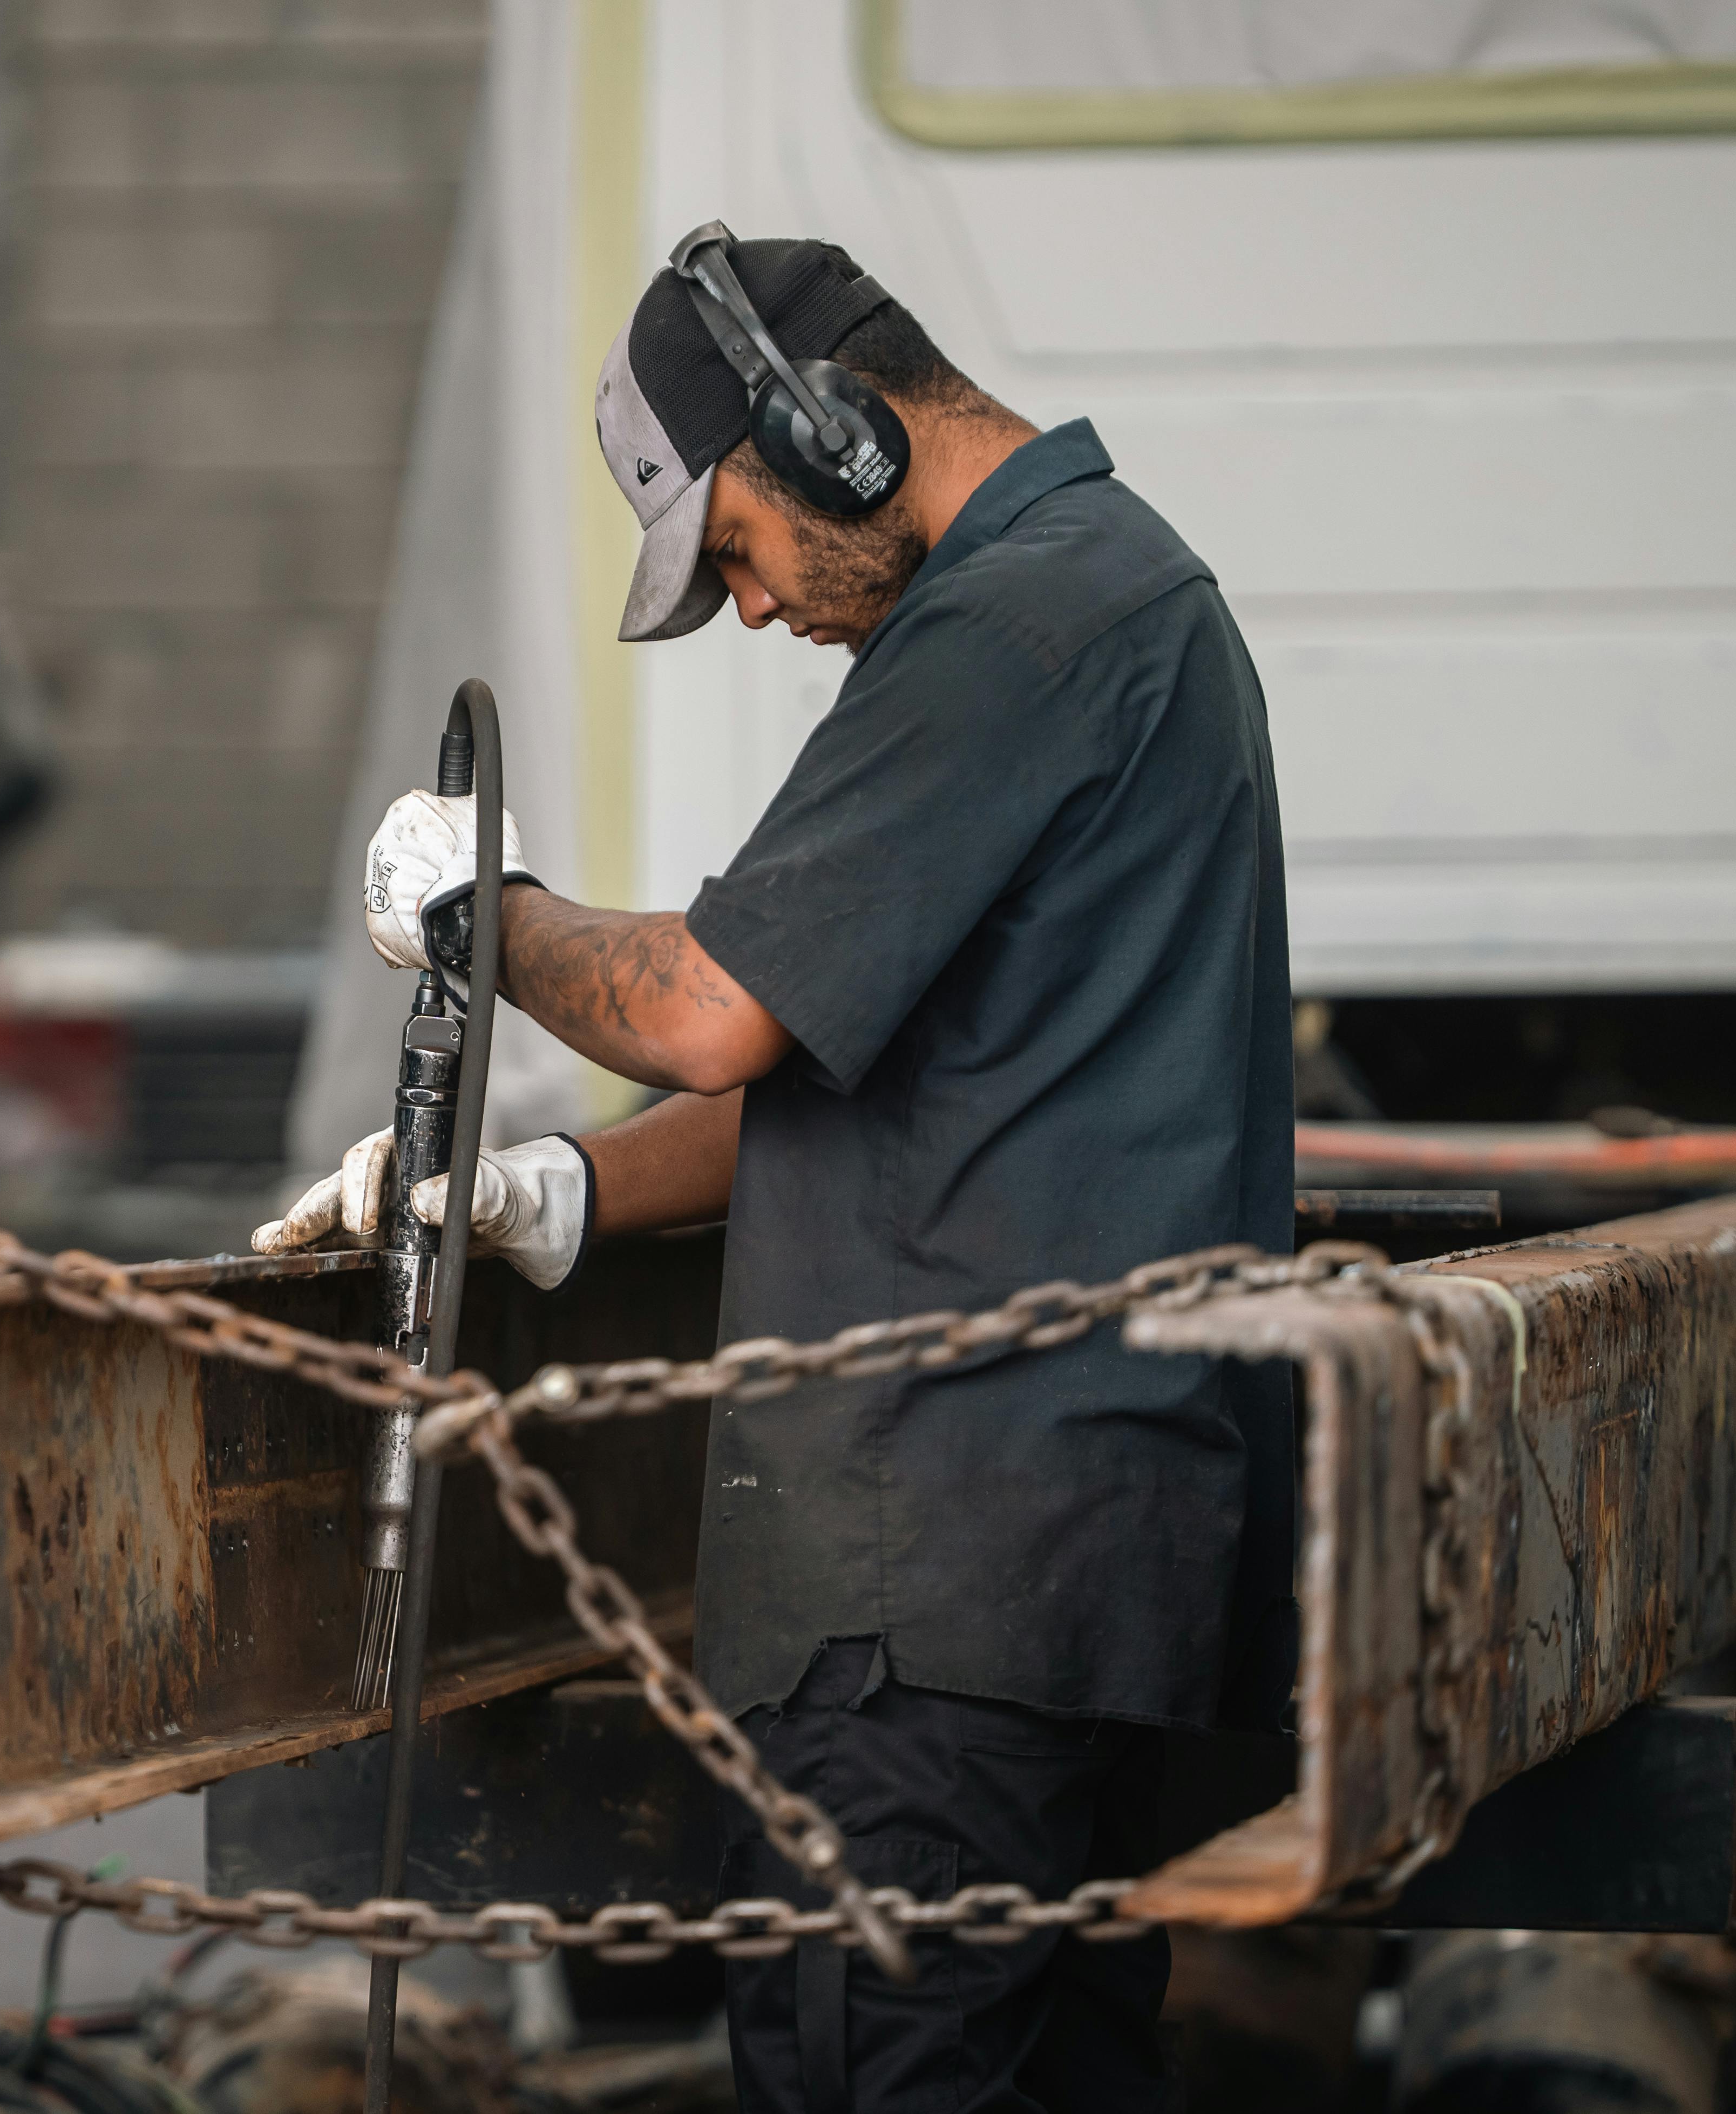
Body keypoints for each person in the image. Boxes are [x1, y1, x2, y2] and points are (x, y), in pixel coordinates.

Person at [254, 226, 1294, 2114]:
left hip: (932, 1616)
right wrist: (553, 1194)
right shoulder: (1119, 604)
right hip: (1053, 1595)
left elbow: (713, 1009)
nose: (751, 611)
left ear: (831, 433)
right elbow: (849, 1072)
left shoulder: (1014, 624)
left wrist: (477, 914)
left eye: (729, 547)